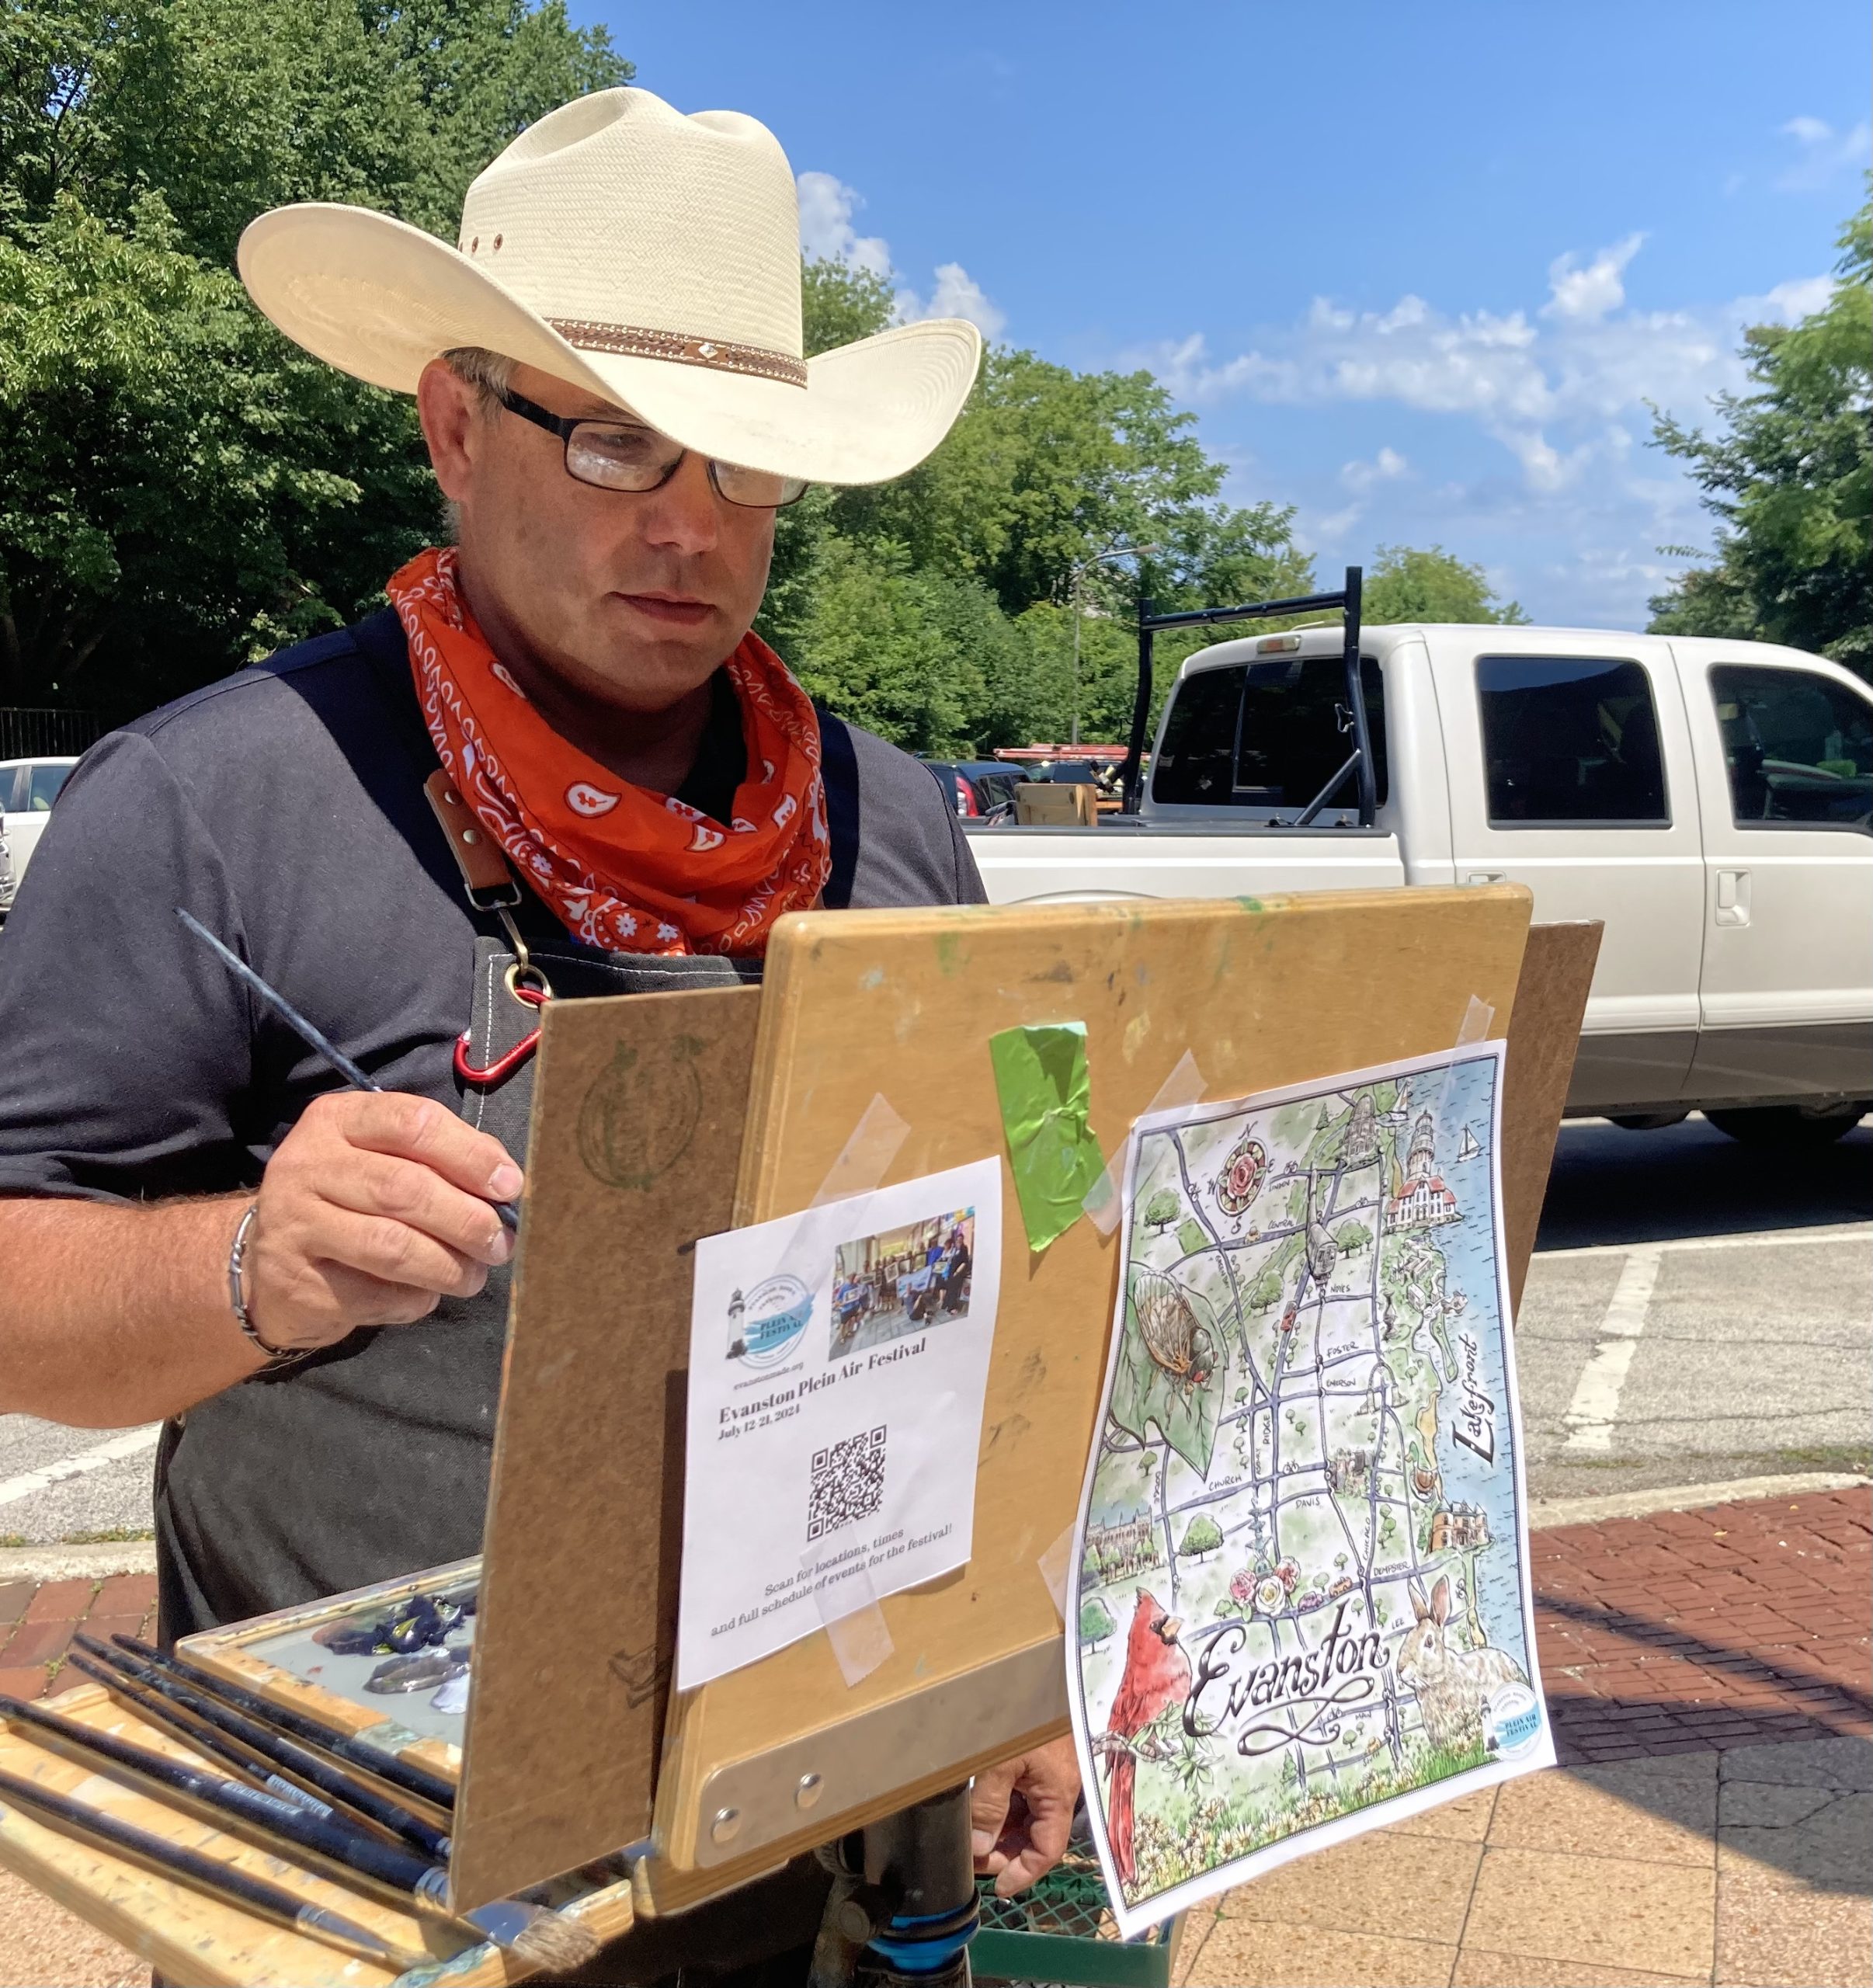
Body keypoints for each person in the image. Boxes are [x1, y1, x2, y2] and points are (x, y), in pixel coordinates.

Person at [0, 86, 1075, 1979]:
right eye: (612, 442)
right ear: (452, 427)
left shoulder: (890, 813)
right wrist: (249, 1255)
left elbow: (1001, 1274)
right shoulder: (206, 803)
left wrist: (1023, 1662)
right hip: (368, 1879)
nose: (688, 524)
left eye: (744, 462)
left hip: (822, 1852)